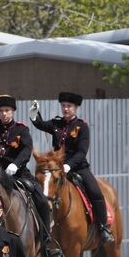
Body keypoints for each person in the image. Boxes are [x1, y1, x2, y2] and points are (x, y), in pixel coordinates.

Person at [0, 94, 60, 257]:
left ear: (13, 111)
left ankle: (45, 242)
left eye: (7, 110)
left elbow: (26, 149)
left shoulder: (22, 129)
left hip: (20, 175)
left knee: (43, 202)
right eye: (0, 111)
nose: (4, 114)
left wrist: (16, 164)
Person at [29, 92, 114, 243]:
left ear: (75, 108)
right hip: (57, 169)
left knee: (95, 192)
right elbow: (40, 124)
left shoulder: (82, 126)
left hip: (78, 167)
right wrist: (34, 114)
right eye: (63, 106)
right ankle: (41, 228)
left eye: (69, 106)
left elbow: (82, 151)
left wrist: (69, 165)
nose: (66, 109)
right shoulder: (56, 123)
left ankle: (103, 228)